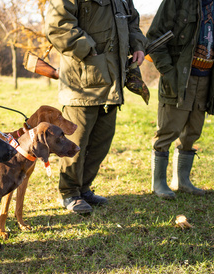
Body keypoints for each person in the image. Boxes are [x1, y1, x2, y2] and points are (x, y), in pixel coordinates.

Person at [45, 0, 147, 213]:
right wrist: (88, 49)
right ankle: (70, 192)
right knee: (75, 142)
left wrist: (138, 46)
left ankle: (84, 188)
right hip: (81, 82)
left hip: (112, 80)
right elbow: (58, 25)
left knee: (101, 141)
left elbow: (132, 21)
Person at [147, 0, 214, 199]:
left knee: (193, 131)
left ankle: (181, 181)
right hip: (179, 77)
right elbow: (154, 40)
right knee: (168, 130)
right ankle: (159, 183)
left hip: (208, 79)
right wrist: (168, 72)